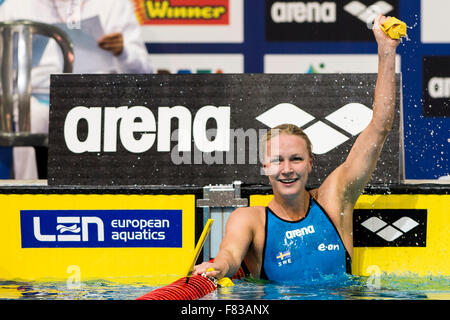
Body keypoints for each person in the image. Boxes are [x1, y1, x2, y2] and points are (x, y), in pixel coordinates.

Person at [193, 14, 400, 282]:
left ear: (310, 163)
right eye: (277, 160)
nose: (287, 169)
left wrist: (386, 52)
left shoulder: (332, 200)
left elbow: (379, 127)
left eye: (296, 159)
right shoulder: (251, 220)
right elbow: (230, 256)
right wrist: (219, 267)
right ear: (264, 166)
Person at [0, 0, 153, 179]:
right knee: (32, 114)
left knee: (109, 112)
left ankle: (103, 198)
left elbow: (145, 73)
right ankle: (28, 195)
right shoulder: (17, 5)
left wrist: (123, 52)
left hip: (99, 94)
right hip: (36, 98)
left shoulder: (113, 4)